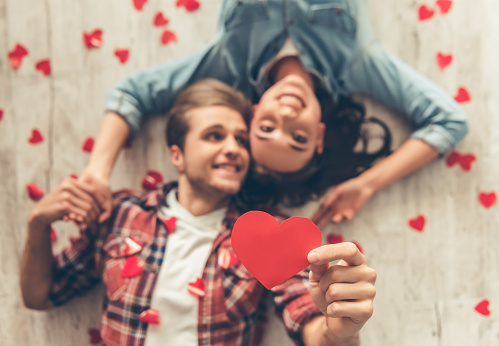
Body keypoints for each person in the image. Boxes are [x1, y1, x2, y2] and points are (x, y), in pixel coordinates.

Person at [21, 79, 376, 346]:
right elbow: (40, 295)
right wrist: (38, 223)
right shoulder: (120, 215)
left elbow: (312, 326)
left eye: (240, 138)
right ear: (177, 155)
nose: (232, 148)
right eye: (214, 136)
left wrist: (339, 329)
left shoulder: (268, 235)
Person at [79, 0, 468, 227]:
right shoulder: (356, 62)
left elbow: (132, 93)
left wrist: (97, 172)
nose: (285, 115)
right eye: (298, 138)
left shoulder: (228, 60)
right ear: (318, 135)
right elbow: (449, 121)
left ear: (251, 113)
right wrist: (367, 185)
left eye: (265, 129)